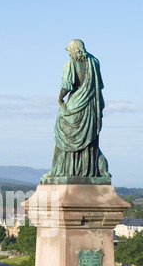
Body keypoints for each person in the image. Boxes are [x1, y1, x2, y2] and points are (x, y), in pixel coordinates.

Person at [43, 40, 111, 179]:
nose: (68, 53)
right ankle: (88, 170)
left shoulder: (70, 64)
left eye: (69, 50)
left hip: (75, 104)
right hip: (90, 106)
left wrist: (60, 98)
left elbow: (67, 86)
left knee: (63, 136)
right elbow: (99, 85)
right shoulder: (94, 62)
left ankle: (60, 171)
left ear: (73, 50)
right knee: (88, 139)